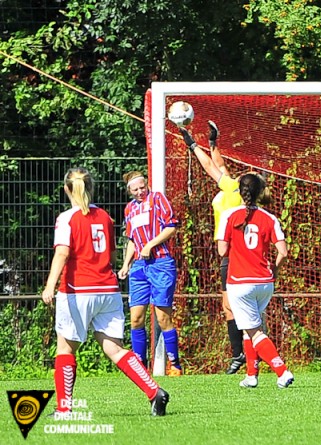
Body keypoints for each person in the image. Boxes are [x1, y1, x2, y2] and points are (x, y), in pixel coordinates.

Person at [42, 167, 169, 416]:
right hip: (107, 289)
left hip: (77, 290)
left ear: (67, 189)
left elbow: (62, 253)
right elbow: (108, 254)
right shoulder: (105, 217)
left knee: (66, 349)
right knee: (115, 348)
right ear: (91, 187)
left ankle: (64, 409)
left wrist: (49, 285)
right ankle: (155, 392)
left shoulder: (66, 218)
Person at [180, 123, 247, 375]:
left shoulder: (232, 193)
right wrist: (213, 144)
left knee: (237, 306)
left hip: (233, 254)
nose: (235, 174)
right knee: (228, 306)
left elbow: (211, 167)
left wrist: (193, 145)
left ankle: (248, 353)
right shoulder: (235, 190)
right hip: (228, 255)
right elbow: (220, 166)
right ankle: (238, 354)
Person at [217, 173, 293, 388]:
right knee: (250, 326)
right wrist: (275, 271)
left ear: (240, 191)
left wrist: (237, 247)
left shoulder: (229, 215)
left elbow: (223, 250)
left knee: (254, 330)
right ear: (260, 192)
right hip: (264, 282)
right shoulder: (270, 218)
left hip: (240, 281)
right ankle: (251, 375)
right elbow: (284, 252)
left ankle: (281, 370)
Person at [117, 171, 182, 376]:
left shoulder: (158, 199)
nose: (139, 192)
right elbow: (132, 240)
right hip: (139, 267)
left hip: (160, 263)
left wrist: (150, 245)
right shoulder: (130, 209)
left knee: (163, 317)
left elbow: (171, 227)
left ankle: (175, 365)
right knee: (136, 318)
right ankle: (140, 368)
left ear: (147, 185)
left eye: (142, 187)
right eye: (135, 190)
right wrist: (126, 264)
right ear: (129, 191)